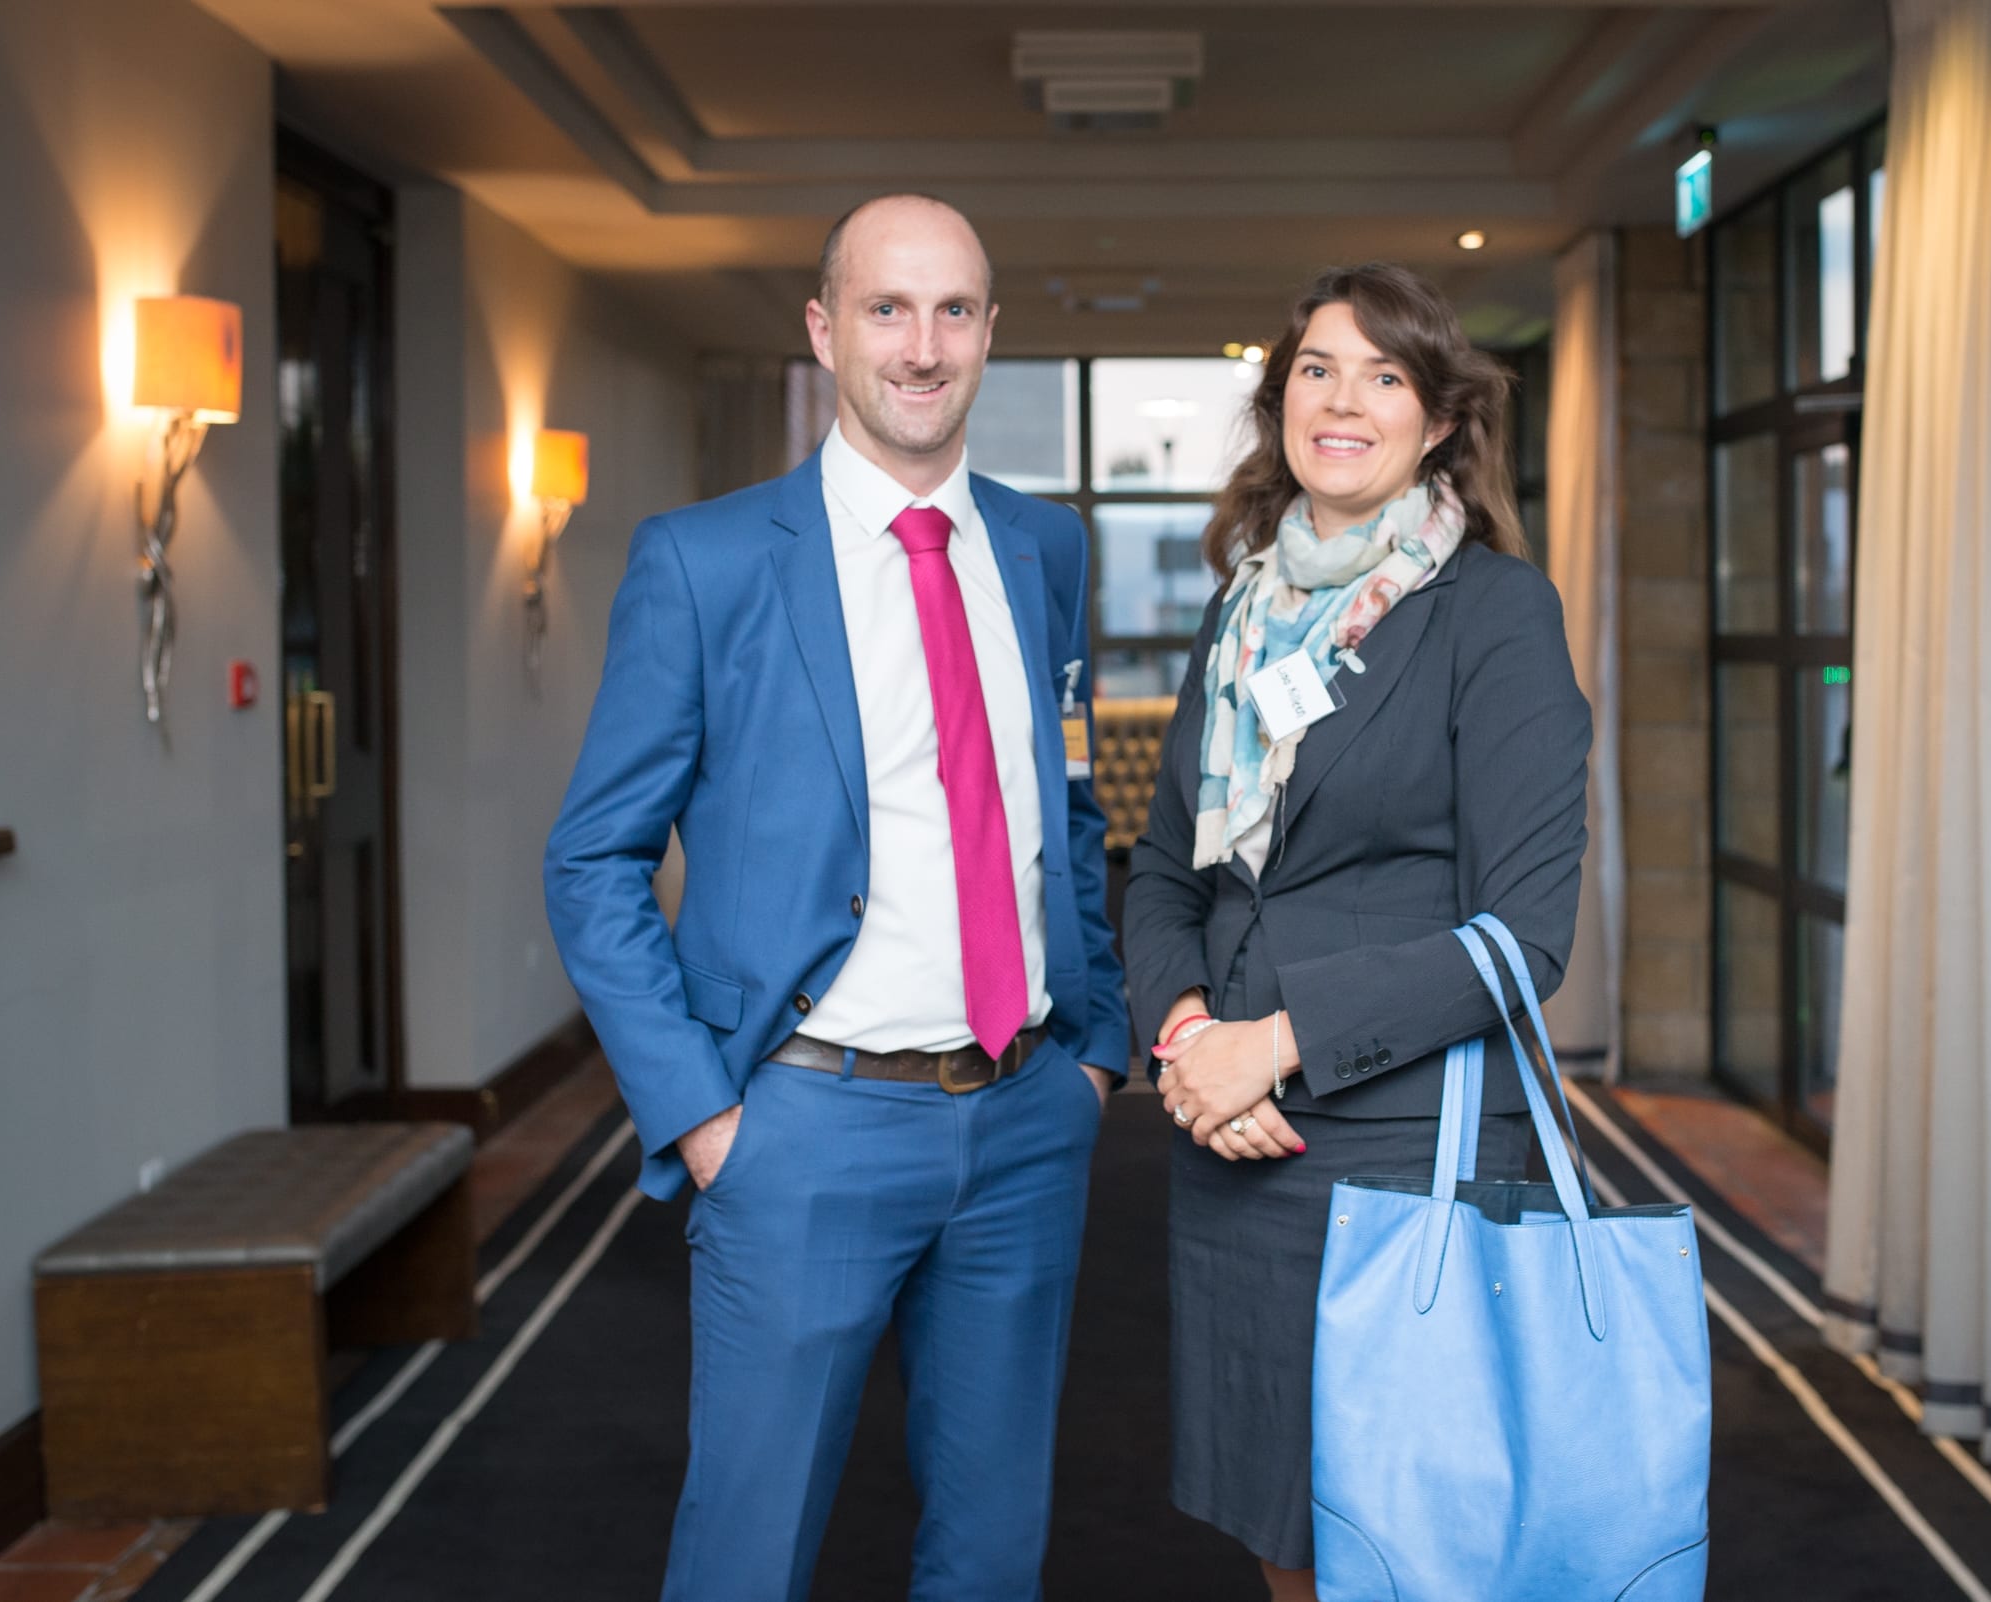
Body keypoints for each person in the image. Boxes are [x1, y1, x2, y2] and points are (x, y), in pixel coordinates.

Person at [544, 193, 1127, 1602]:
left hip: (1026, 1121)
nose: (920, 347)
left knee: (993, 1553)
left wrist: (1096, 1048)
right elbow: (591, 857)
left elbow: (1069, 802)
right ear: (823, 329)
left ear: (989, 333)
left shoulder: (1047, 551)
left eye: (952, 311)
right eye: (885, 308)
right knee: (748, 1552)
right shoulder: (709, 560)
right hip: (801, 1126)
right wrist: (702, 1115)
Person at [1122, 262, 1591, 1601]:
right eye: (1318, 369)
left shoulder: (1496, 615)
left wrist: (1273, 1040)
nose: (1344, 400)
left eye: (1385, 375)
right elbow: (1167, 872)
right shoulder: (1237, 614)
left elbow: (1523, 937)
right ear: (1281, 402)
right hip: (1239, 1149)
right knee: (1292, 1535)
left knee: (1415, 1546)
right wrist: (1189, 1030)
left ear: (1439, 421)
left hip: (1402, 1153)